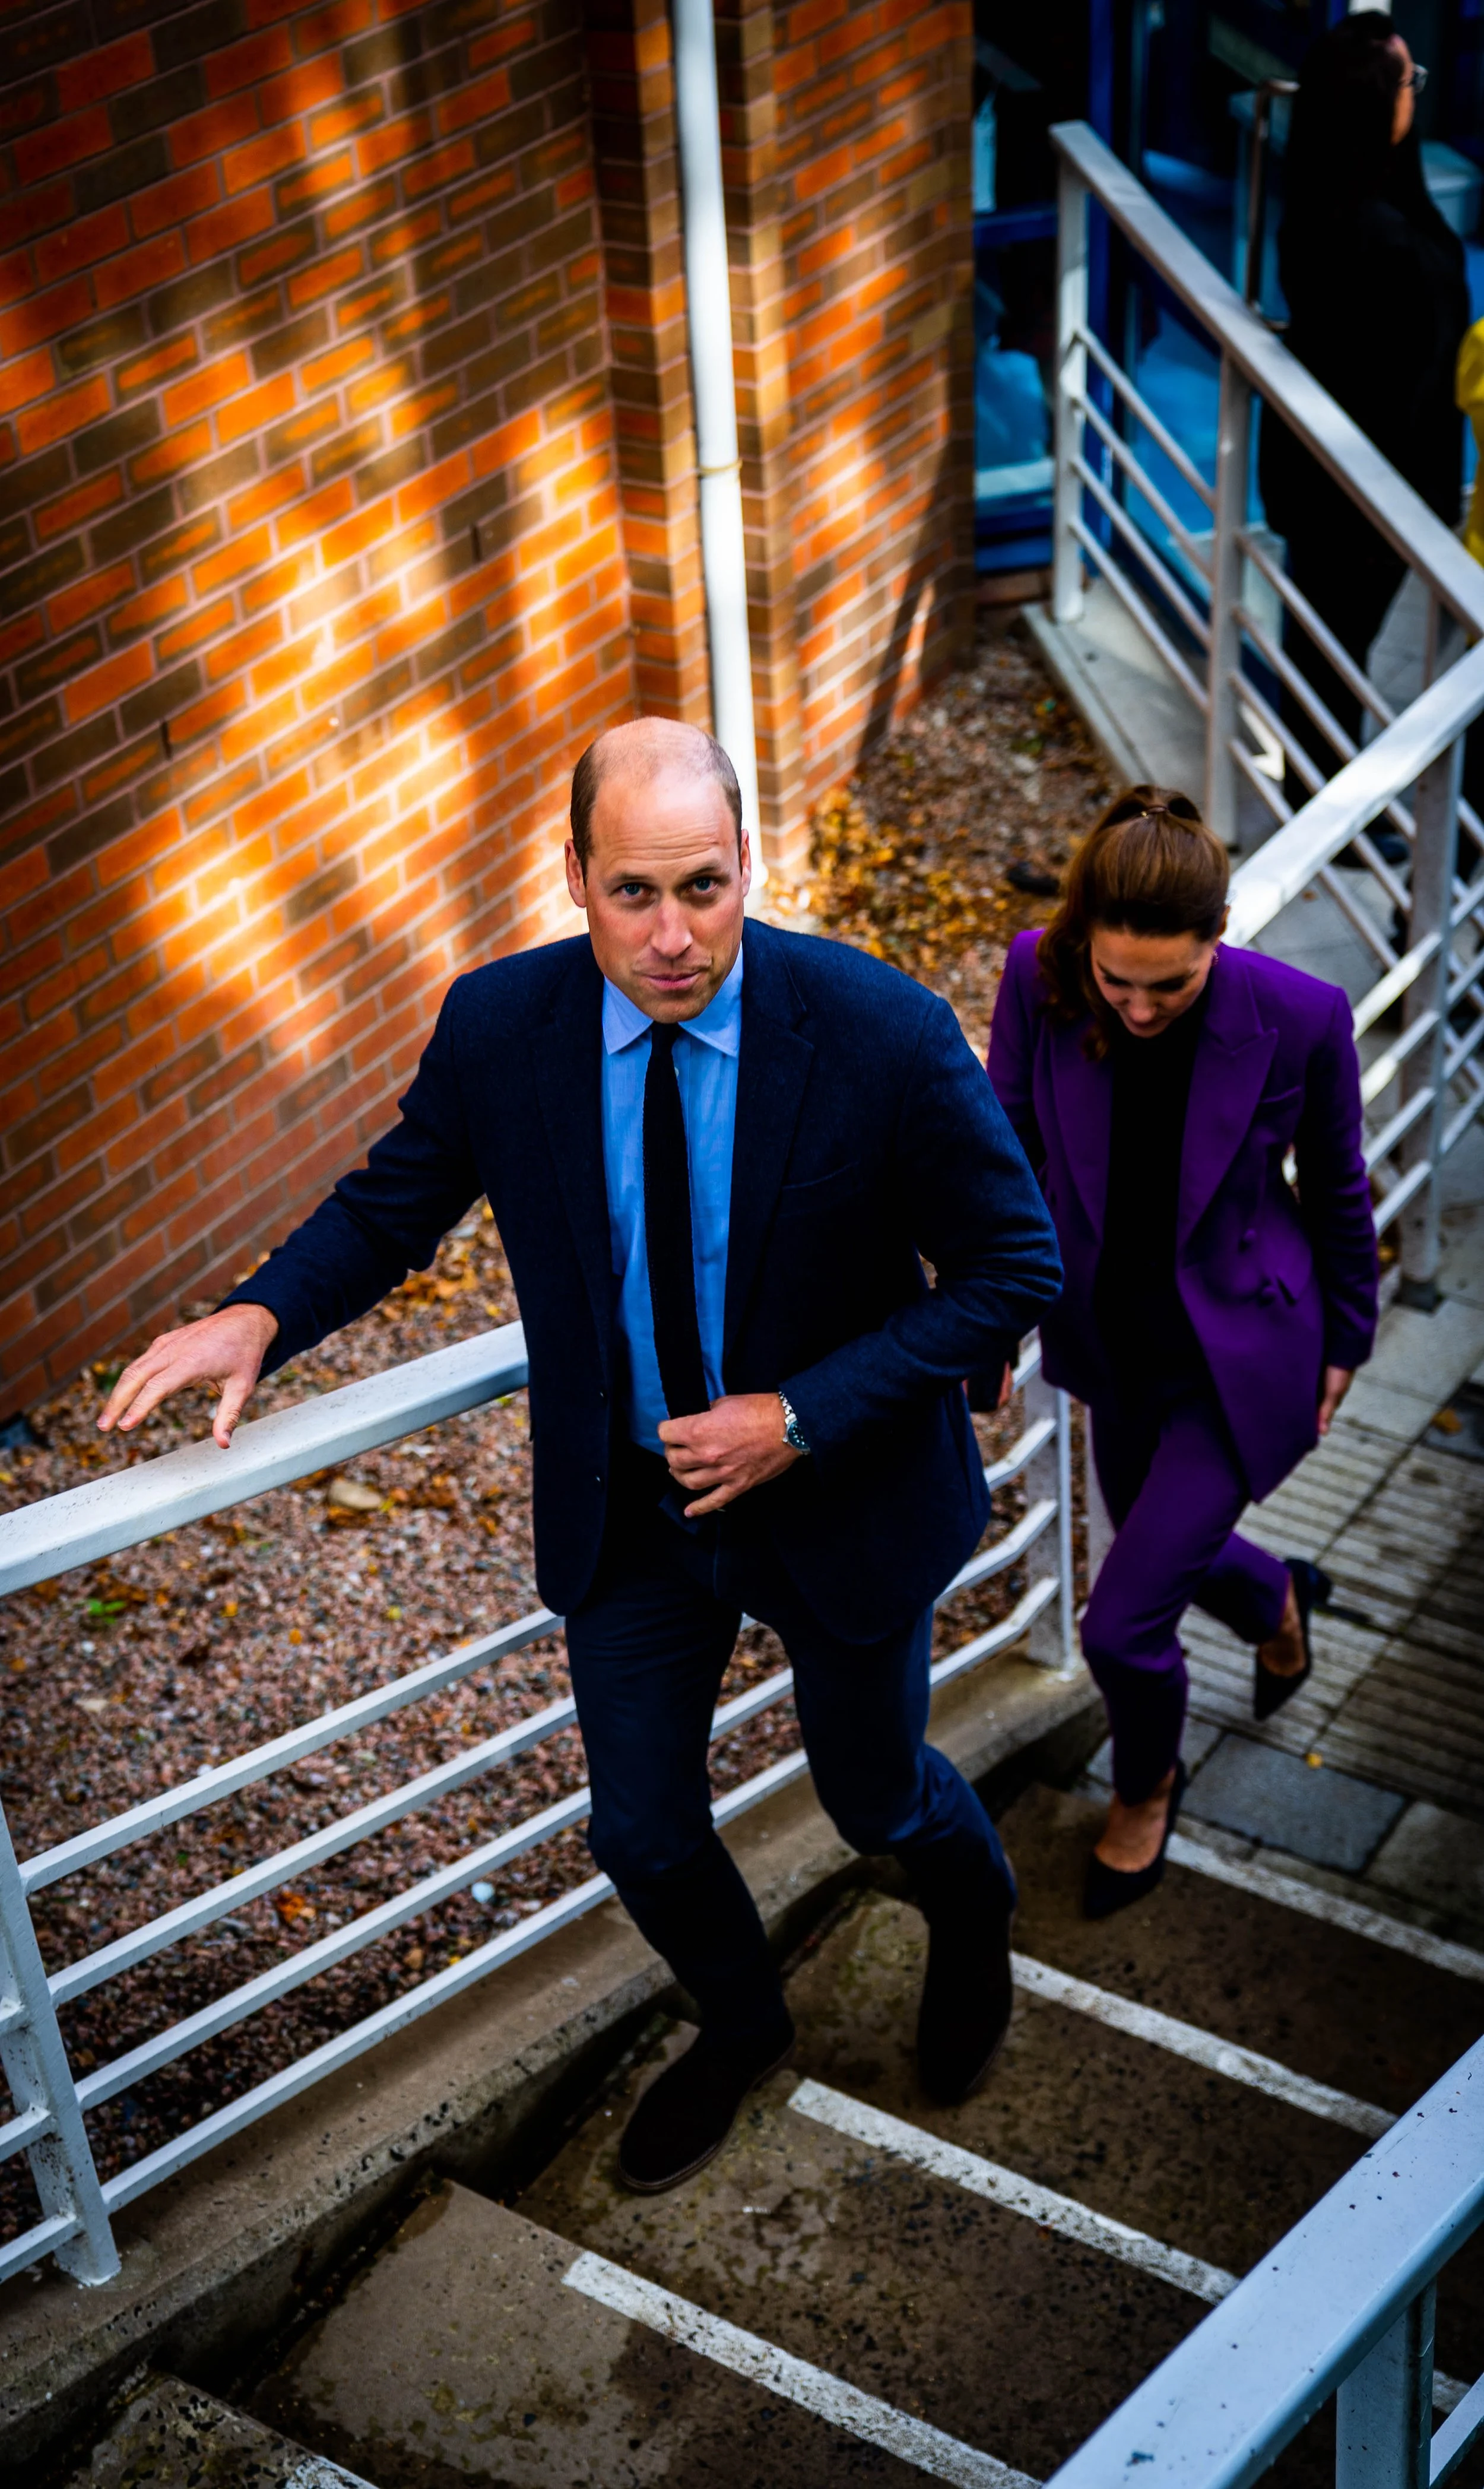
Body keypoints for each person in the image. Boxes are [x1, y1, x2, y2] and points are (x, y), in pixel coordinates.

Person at [99, 719, 1062, 2190]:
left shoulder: (878, 1030)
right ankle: (743, 2030)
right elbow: (390, 1204)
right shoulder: (500, 1028)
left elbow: (1011, 1266)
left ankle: (971, 1909)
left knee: (874, 1798)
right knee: (642, 1830)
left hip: (841, 1497)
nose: (672, 937)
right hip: (637, 1512)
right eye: (632, 893)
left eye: (702, 886)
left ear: (749, 864)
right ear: (572, 877)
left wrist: (797, 1412)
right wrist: (260, 1312)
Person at [985, 788, 1378, 1918]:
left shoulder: (1302, 1017)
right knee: (1177, 1552)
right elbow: (1007, 1158)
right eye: (1119, 982)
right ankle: (1277, 1604)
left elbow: (1337, 1189)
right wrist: (983, 1316)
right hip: (1112, 1347)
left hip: (1243, 1354)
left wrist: (1349, 1333)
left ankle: (1147, 1783)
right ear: (1083, 945)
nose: (1142, 1008)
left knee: (1121, 1620)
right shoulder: (1034, 976)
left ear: (1220, 937)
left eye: (1174, 982)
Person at [1259, 16, 1468, 803]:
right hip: (1364, 490)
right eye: (1407, 82)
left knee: (1327, 641)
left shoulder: (1329, 188)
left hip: (1338, 479)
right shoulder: (1373, 234)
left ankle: (1315, 782)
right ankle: (1323, 805)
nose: (1417, 95)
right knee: (1335, 646)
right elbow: (1408, 369)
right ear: (1374, 103)